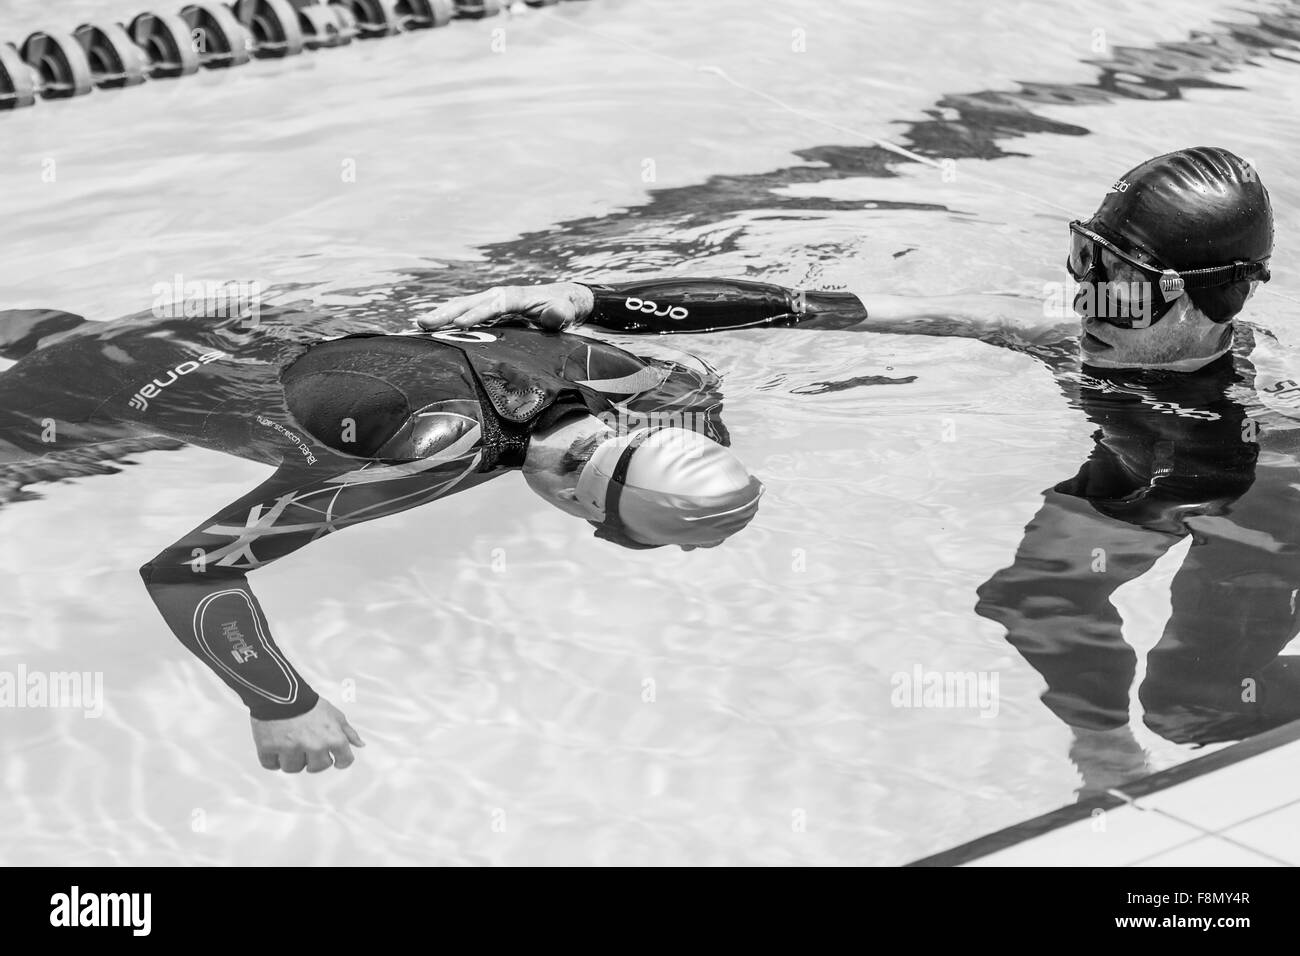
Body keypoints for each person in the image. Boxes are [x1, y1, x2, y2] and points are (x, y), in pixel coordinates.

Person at [418, 145, 1300, 793]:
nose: (1084, 297)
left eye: (1122, 283)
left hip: (1264, 499)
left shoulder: (1271, 414)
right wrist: (588, 299)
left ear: (1210, 296)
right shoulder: (1069, 336)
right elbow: (813, 309)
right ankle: (1105, 754)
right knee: (1032, 599)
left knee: (1196, 706)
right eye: (1085, 260)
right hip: (1140, 478)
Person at [0, 304, 763, 772]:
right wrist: (279, 703)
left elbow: (701, 397)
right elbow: (189, 575)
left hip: (177, 335)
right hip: (77, 388)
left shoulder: (601, 369)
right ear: (574, 495)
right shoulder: (427, 460)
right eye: (600, 523)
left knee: (68, 338)